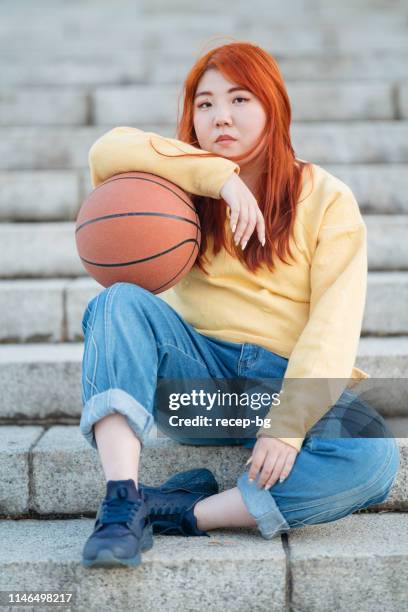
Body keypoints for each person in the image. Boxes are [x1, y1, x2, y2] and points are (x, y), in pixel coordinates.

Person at [79, 41, 400, 568]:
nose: (220, 117)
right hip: (196, 386)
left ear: (273, 106)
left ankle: (183, 510)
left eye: (239, 99)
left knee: (373, 457)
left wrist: (289, 423)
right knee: (117, 303)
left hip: (277, 382)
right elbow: (105, 153)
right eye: (204, 105)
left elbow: (333, 328)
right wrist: (219, 178)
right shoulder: (181, 187)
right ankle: (120, 500)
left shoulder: (326, 197)